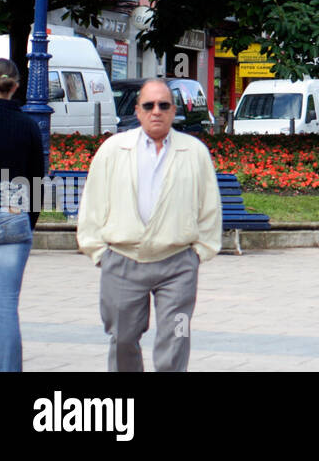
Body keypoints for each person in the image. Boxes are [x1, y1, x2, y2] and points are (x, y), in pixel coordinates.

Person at [77, 78, 222, 371]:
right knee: (122, 338)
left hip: (178, 264)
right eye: (149, 105)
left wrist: (199, 252)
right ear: (138, 110)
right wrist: (98, 252)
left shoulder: (194, 152)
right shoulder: (113, 149)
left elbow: (209, 205)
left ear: (173, 111)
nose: (156, 111)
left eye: (164, 105)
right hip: (122, 261)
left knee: (178, 335)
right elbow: (92, 202)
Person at [0, 59, 45, 371]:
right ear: (16, 86)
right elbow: (37, 179)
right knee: (5, 306)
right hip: (12, 213)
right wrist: (27, 224)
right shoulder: (28, 126)